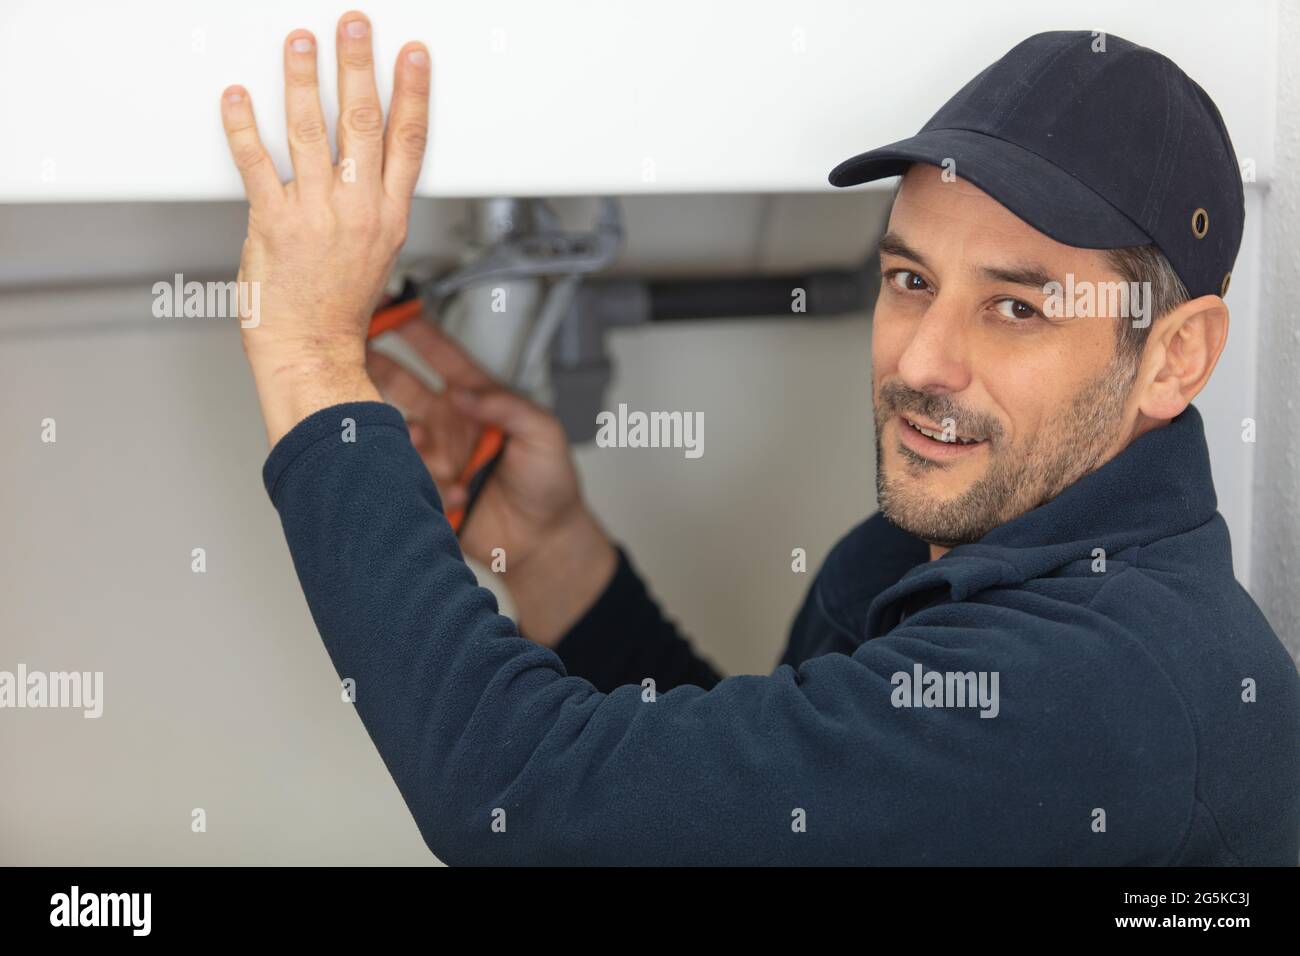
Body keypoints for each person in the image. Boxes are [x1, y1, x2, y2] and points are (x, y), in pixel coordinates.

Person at [222, 14, 1299, 864]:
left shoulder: (1097, 683)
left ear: (1175, 356)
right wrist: (550, 551)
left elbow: (524, 803)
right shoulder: (935, 550)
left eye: (1015, 307)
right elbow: (734, 814)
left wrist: (313, 358)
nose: (922, 360)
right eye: (909, 279)